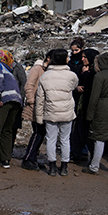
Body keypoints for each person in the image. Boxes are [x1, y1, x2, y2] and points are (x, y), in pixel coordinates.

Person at [35, 48, 79, 177]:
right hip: (67, 112)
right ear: (65, 59)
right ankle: (64, 166)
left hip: (51, 112)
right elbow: (73, 87)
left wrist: (39, 117)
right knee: (65, 140)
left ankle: (52, 167)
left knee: (51, 139)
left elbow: (40, 98)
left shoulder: (45, 76)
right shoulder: (71, 75)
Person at [21, 51, 51, 171]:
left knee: (40, 133)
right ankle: (28, 158)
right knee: (38, 132)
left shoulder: (47, 70)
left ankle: (32, 158)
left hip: (42, 107)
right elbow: (29, 85)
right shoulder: (37, 69)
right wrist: (31, 101)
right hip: (35, 107)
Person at [0, 49, 27, 154]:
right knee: (2, 126)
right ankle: (1, 150)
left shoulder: (16, 67)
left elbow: (23, 84)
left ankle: (7, 151)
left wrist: (20, 100)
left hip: (15, 102)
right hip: (2, 102)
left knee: (11, 127)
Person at [71, 48, 99, 164]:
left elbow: (90, 87)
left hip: (88, 107)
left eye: (85, 57)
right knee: (78, 131)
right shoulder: (83, 69)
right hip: (81, 106)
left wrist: (85, 73)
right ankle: (77, 153)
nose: (82, 59)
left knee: (88, 134)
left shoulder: (93, 73)